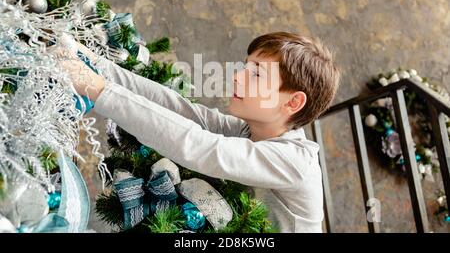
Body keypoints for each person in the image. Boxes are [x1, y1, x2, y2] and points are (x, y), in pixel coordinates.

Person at [53, 31, 340, 232]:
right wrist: (92, 62)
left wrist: (99, 90)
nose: (238, 76)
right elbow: (182, 110)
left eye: (256, 74)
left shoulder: (294, 162)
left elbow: (199, 147)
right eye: (246, 66)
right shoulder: (252, 129)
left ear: (293, 102)